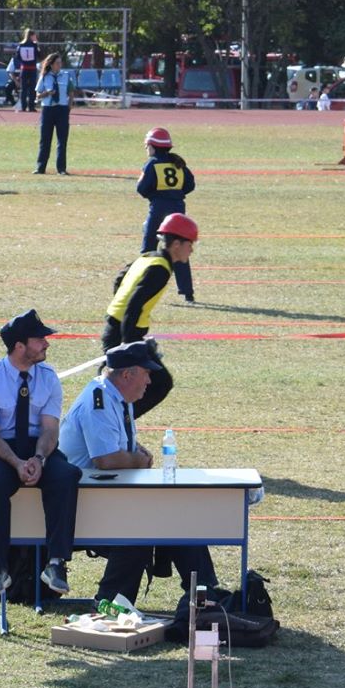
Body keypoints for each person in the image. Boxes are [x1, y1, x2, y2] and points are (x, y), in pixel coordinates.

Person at [56, 341, 219, 605]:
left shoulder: (118, 398)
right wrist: (138, 460)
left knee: (180, 515)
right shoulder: (99, 401)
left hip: (104, 495)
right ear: (127, 375)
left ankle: (205, 591)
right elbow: (107, 460)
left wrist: (134, 454)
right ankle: (111, 601)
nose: (150, 380)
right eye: (146, 373)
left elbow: (121, 449)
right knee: (139, 530)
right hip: (81, 502)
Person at [0, 309, 81, 602]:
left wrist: (39, 460)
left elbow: (50, 429)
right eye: (39, 339)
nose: (46, 343)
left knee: (67, 475)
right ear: (19, 346)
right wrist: (17, 463)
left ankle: (57, 562)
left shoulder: (48, 378)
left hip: (38, 448)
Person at [105, 213, 195, 419]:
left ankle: (119, 421)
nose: (192, 250)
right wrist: (128, 346)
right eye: (189, 244)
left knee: (113, 386)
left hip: (121, 328)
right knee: (160, 383)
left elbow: (120, 280)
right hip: (124, 333)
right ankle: (120, 422)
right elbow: (134, 305)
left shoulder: (148, 257)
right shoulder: (159, 269)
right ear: (176, 244)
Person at [137, 127, 198, 301]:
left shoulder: (152, 164)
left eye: (147, 145)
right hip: (178, 212)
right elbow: (190, 185)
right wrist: (176, 195)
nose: (146, 149)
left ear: (154, 146)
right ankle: (187, 293)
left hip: (157, 211)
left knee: (148, 251)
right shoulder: (178, 163)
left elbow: (141, 189)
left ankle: (143, 288)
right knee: (179, 251)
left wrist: (156, 196)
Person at [34, 52, 74, 175]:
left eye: (60, 63)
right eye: (57, 63)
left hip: (62, 109)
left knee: (62, 140)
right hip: (48, 109)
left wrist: (69, 106)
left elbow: (71, 92)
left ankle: (61, 168)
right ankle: (41, 167)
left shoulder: (65, 76)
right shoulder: (45, 77)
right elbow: (37, 95)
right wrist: (47, 93)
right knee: (45, 140)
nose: (59, 65)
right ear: (51, 65)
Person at [13, 29, 39, 111]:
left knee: (24, 88)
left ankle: (23, 106)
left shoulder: (20, 45)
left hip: (24, 68)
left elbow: (17, 56)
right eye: (34, 35)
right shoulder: (34, 45)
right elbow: (38, 55)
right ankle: (31, 106)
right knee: (32, 88)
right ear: (31, 36)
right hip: (32, 69)